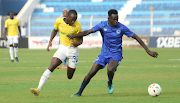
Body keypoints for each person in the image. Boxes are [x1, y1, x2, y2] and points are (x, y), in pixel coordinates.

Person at [67, 9, 159, 97]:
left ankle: (109, 81)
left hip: (116, 54)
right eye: (114, 19)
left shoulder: (121, 27)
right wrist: (74, 36)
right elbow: (87, 32)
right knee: (91, 73)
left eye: (117, 19)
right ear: (109, 19)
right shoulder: (102, 25)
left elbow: (136, 37)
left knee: (110, 69)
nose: (116, 21)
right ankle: (79, 93)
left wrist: (148, 51)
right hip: (103, 54)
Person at [30, 10, 83, 96]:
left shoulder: (78, 24)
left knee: (69, 76)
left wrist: (78, 43)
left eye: (75, 20)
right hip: (62, 48)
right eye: (72, 20)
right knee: (52, 66)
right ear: (67, 17)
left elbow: (81, 38)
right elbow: (54, 30)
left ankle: (69, 65)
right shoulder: (59, 21)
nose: (73, 22)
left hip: (73, 51)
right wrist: (50, 41)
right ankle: (38, 89)